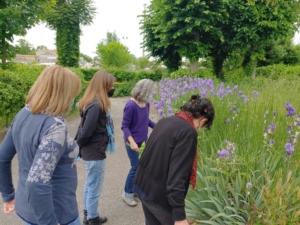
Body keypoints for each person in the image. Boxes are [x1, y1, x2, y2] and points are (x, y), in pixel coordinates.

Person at [0, 65, 81, 225]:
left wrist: (8, 195)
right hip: (58, 213)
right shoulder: (55, 127)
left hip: (27, 210)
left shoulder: (23, 114)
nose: (73, 100)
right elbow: (37, 182)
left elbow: (2, 157)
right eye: (72, 95)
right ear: (63, 95)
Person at [134, 95, 215, 225]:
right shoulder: (188, 132)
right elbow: (178, 176)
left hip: (143, 186)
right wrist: (179, 216)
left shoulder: (165, 121)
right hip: (159, 198)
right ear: (203, 120)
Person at [76, 71, 115, 225]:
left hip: (91, 151)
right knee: (94, 186)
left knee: (90, 183)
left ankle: (88, 213)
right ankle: (92, 218)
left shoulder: (91, 102)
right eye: (110, 85)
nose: (112, 88)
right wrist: (80, 145)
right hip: (94, 152)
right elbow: (85, 132)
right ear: (104, 86)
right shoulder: (96, 105)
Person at [121, 79, 155, 207]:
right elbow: (125, 126)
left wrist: (158, 126)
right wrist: (132, 142)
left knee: (142, 168)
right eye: (150, 91)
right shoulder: (130, 105)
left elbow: (146, 120)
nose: (152, 94)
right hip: (132, 143)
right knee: (135, 168)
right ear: (144, 91)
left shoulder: (146, 104)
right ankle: (126, 194)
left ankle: (135, 191)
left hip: (143, 142)